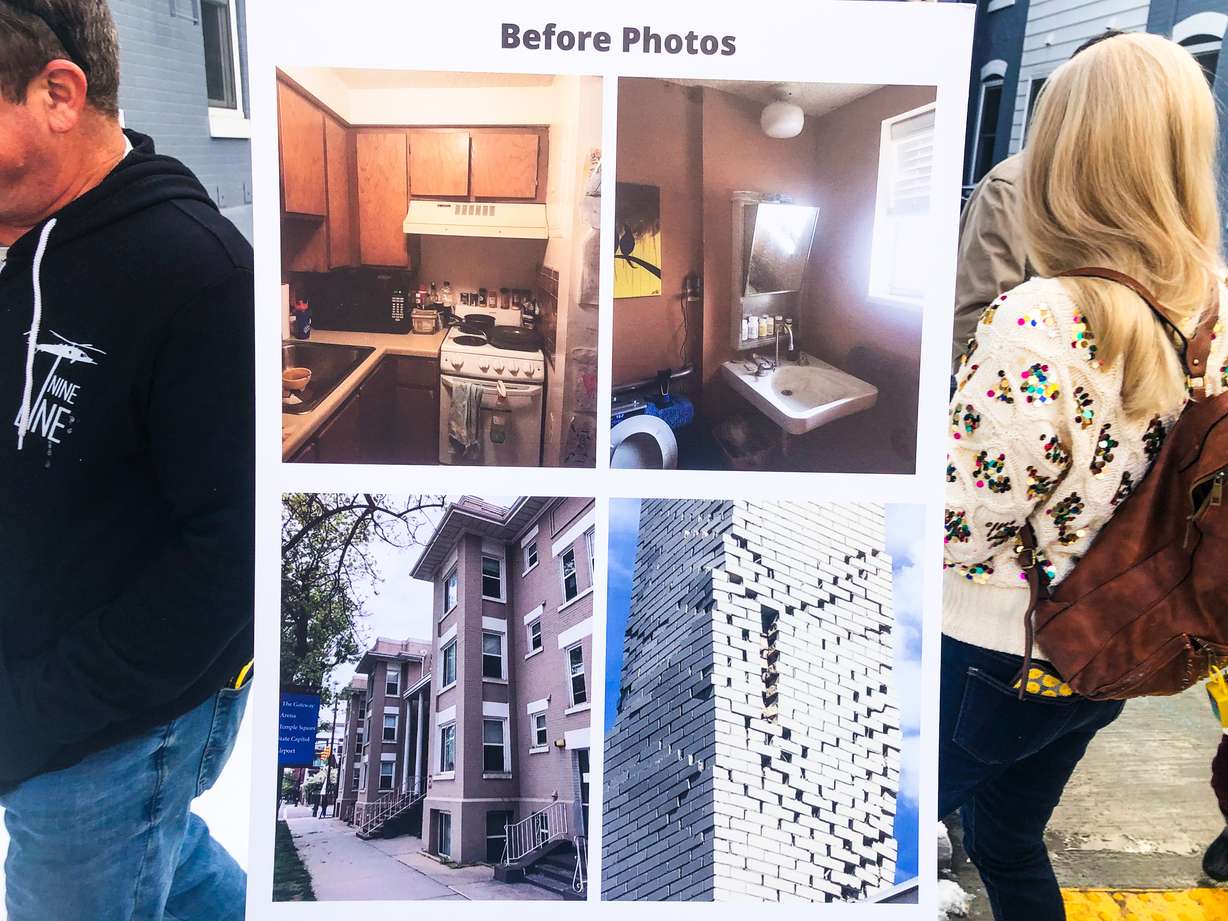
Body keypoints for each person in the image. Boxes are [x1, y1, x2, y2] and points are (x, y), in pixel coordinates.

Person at [940, 32, 1225, 921]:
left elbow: (962, 522)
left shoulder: (1043, 317)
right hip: (1114, 653)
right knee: (1010, 841)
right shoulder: (1210, 299)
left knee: (878, 837)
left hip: (990, 657)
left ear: (1069, 149)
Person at [0, 2, 254, 920]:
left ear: (58, 94)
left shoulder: (199, 277)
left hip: (101, 736)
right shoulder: (29, 230)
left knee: (117, 844)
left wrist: (33, 715)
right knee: (164, 852)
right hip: (51, 702)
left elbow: (230, 562)